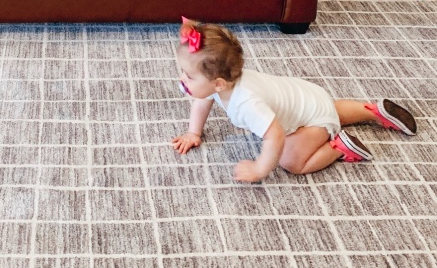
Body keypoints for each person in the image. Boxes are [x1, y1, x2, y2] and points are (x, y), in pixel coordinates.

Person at [171, 17, 417, 183]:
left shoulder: (246, 104)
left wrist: (259, 169)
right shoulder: (224, 80)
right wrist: (194, 132)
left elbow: (275, 135)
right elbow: (203, 100)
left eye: (189, 76)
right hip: (310, 97)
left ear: (218, 84)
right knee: (327, 111)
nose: (183, 79)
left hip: (308, 120)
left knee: (291, 161)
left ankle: (339, 147)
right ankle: (372, 111)